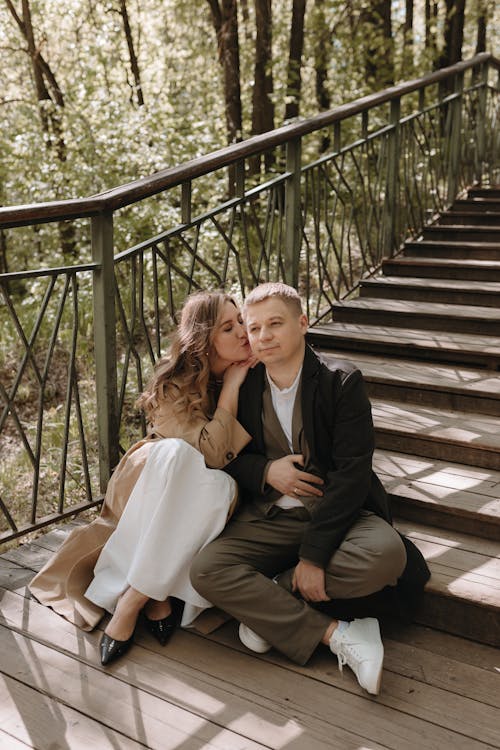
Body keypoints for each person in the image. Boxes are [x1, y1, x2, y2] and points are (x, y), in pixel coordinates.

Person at [190, 282, 427, 696]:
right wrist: (265, 471)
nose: (262, 336)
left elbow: (353, 473)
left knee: (388, 555)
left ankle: (273, 597)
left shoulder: (341, 382)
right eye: (254, 327)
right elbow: (229, 457)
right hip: (270, 516)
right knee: (206, 570)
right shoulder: (243, 386)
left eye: (275, 324)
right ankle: (338, 635)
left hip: (337, 515)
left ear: (302, 323)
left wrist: (314, 558)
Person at [29, 290, 254, 665]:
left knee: (217, 483)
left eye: (242, 322)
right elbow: (207, 453)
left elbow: (215, 465)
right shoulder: (174, 383)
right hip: (152, 482)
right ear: (203, 340)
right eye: (228, 328)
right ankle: (156, 594)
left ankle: (134, 598)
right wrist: (231, 388)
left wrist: (233, 384)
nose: (243, 333)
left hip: (210, 495)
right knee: (179, 455)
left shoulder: (251, 374)